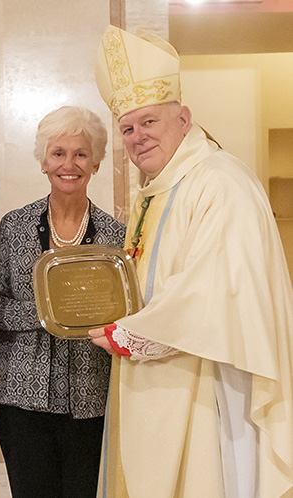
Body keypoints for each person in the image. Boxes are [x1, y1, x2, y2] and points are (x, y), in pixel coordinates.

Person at [91, 25, 293, 498]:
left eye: (149, 122)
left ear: (183, 118)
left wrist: (127, 335)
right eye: (127, 128)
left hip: (209, 386)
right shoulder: (157, 188)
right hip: (158, 380)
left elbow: (217, 289)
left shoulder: (220, 183)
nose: (137, 137)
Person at [0, 106, 126, 498]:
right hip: (20, 394)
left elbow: (126, 311)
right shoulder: (14, 225)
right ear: (43, 162)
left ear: (96, 163)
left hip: (92, 394)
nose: (69, 164)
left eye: (81, 154)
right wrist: (51, 311)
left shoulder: (116, 237)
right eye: (58, 153)